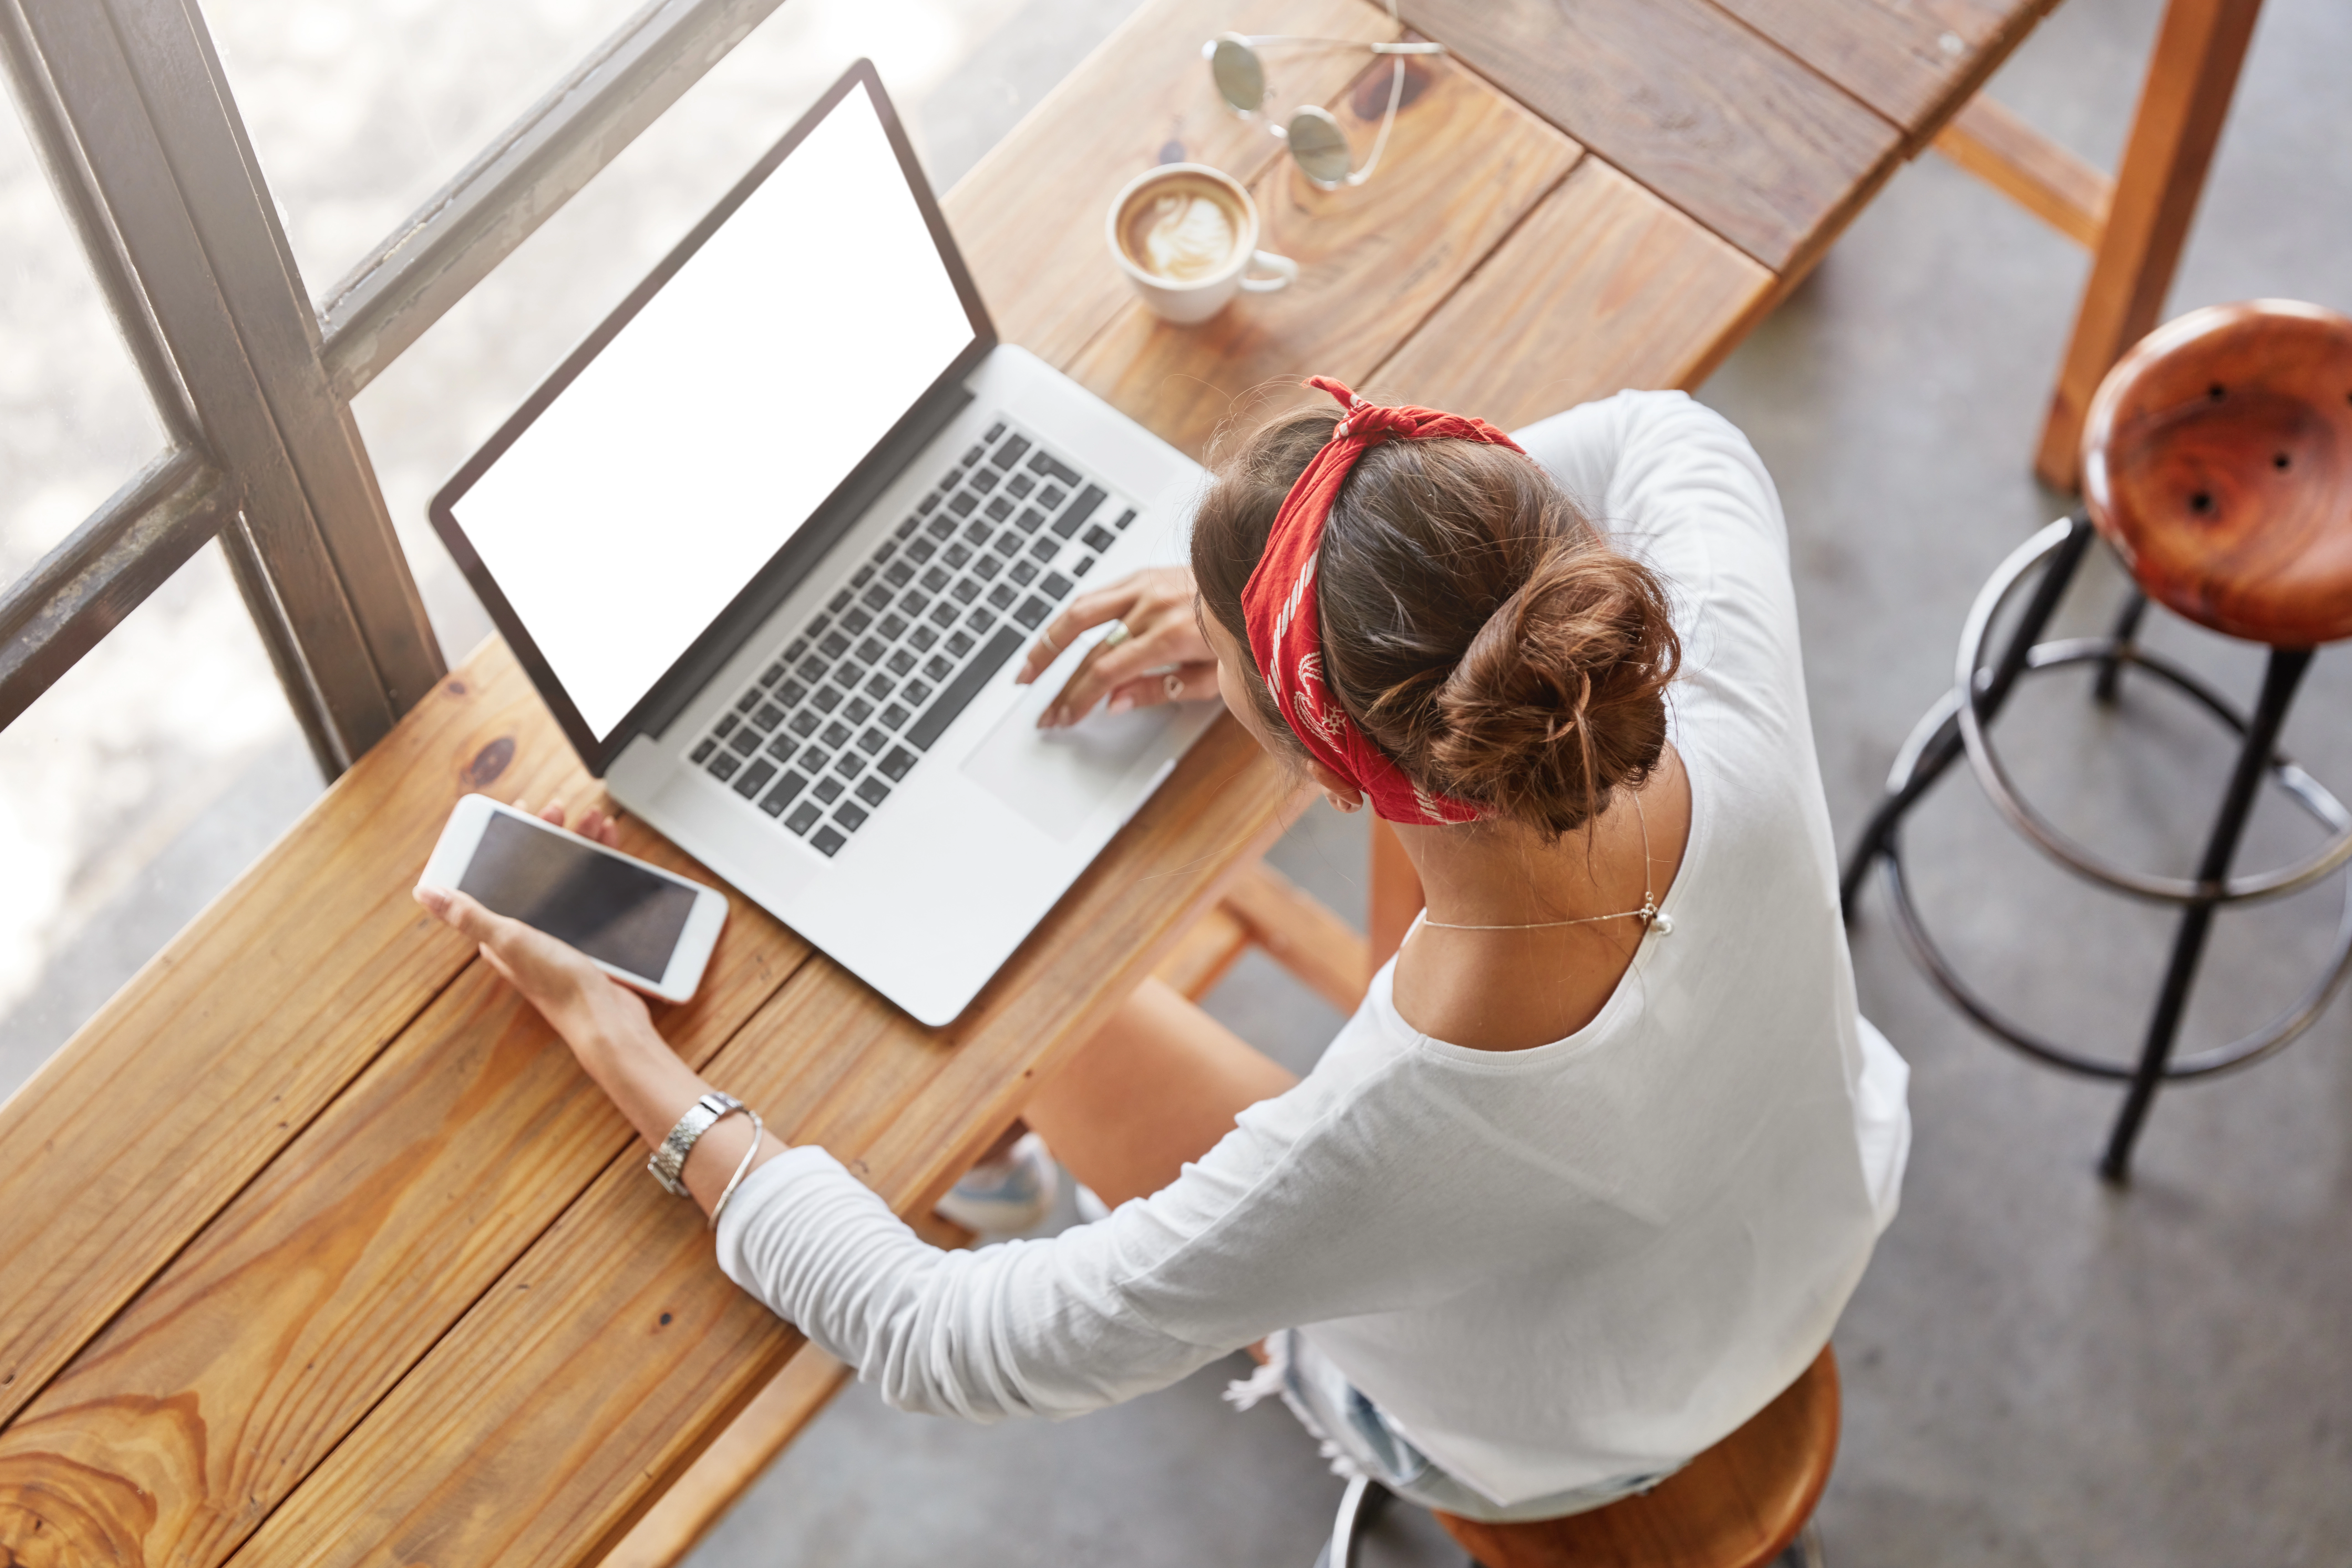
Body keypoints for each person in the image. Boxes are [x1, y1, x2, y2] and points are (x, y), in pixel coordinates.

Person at [414, 379, 1909, 1522]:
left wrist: (626, 1052)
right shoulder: (1724, 685)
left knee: (1014, 1013)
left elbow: (952, 1339)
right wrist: (1364, 613)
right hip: (1810, 1214)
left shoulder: (1385, 1136)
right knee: (1032, 1019)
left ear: (1333, 773)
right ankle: (1008, 1165)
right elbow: (1669, 433)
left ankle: (1004, 1181)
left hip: (1554, 1446)